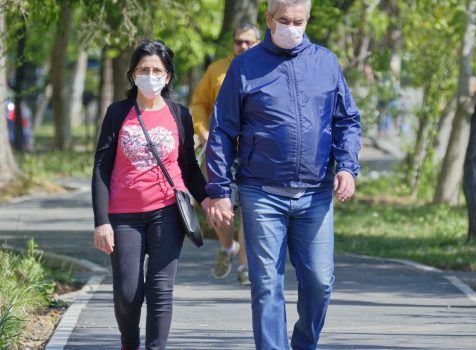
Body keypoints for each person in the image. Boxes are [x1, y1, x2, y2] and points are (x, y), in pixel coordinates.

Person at [205, 0, 361, 349]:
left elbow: (347, 120)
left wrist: (348, 167)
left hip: (315, 193)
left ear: (308, 19)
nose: (291, 27)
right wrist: (218, 189)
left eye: (298, 20)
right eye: (284, 20)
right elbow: (222, 131)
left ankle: (303, 343)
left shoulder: (326, 63)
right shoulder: (245, 67)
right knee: (266, 286)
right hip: (261, 193)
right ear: (268, 19)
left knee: (320, 282)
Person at [91, 39, 217, 350]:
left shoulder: (179, 114)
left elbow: (188, 168)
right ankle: (129, 343)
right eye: (143, 70)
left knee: (160, 290)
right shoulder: (118, 113)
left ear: (168, 76)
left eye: (157, 70)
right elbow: (101, 168)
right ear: (133, 75)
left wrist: (209, 199)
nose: (150, 76)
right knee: (128, 293)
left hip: (167, 213)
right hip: (124, 216)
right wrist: (101, 221)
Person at [190, 23, 260, 285]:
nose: (243, 46)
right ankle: (228, 247)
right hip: (221, 150)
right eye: (239, 41)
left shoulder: (264, 68)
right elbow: (199, 103)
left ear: (258, 42)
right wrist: (202, 130)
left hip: (254, 151)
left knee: (250, 210)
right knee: (221, 207)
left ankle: (244, 265)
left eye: (249, 42)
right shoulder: (217, 70)